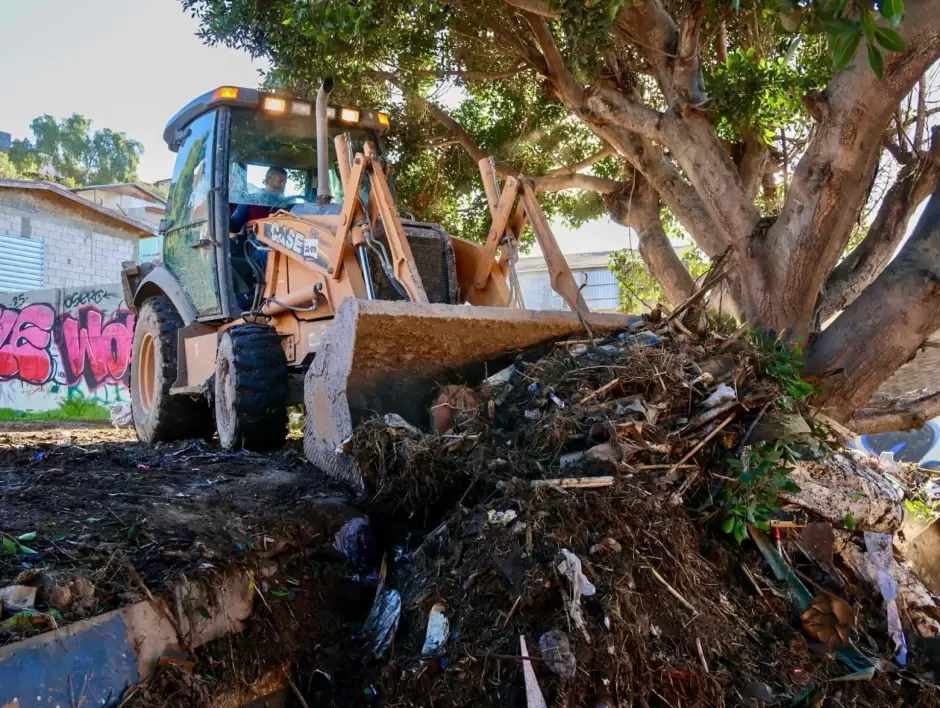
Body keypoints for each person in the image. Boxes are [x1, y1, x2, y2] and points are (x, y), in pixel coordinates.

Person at [229, 166, 288, 232]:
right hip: (254, 240)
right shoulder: (251, 200)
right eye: (280, 181)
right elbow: (234, 226)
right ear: (268, 180)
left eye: (284, 183)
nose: (283, 186)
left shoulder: (286, 204)